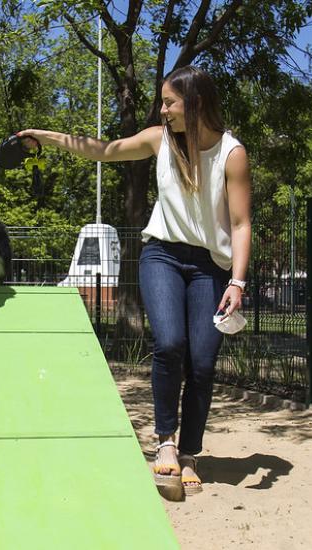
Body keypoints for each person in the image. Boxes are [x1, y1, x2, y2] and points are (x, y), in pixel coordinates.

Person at [19, 65, 252, 497]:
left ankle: (189, 454)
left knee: (201, 363)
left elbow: (240, 224)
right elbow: (105, 150)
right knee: (168, 344)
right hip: (161, 254)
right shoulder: (159, 140)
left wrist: (236, 282)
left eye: (169, 102)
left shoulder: (231, 153)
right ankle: (165, 443)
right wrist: (47, 137)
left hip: (210, 267)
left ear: (195, 103)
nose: (162, 110)